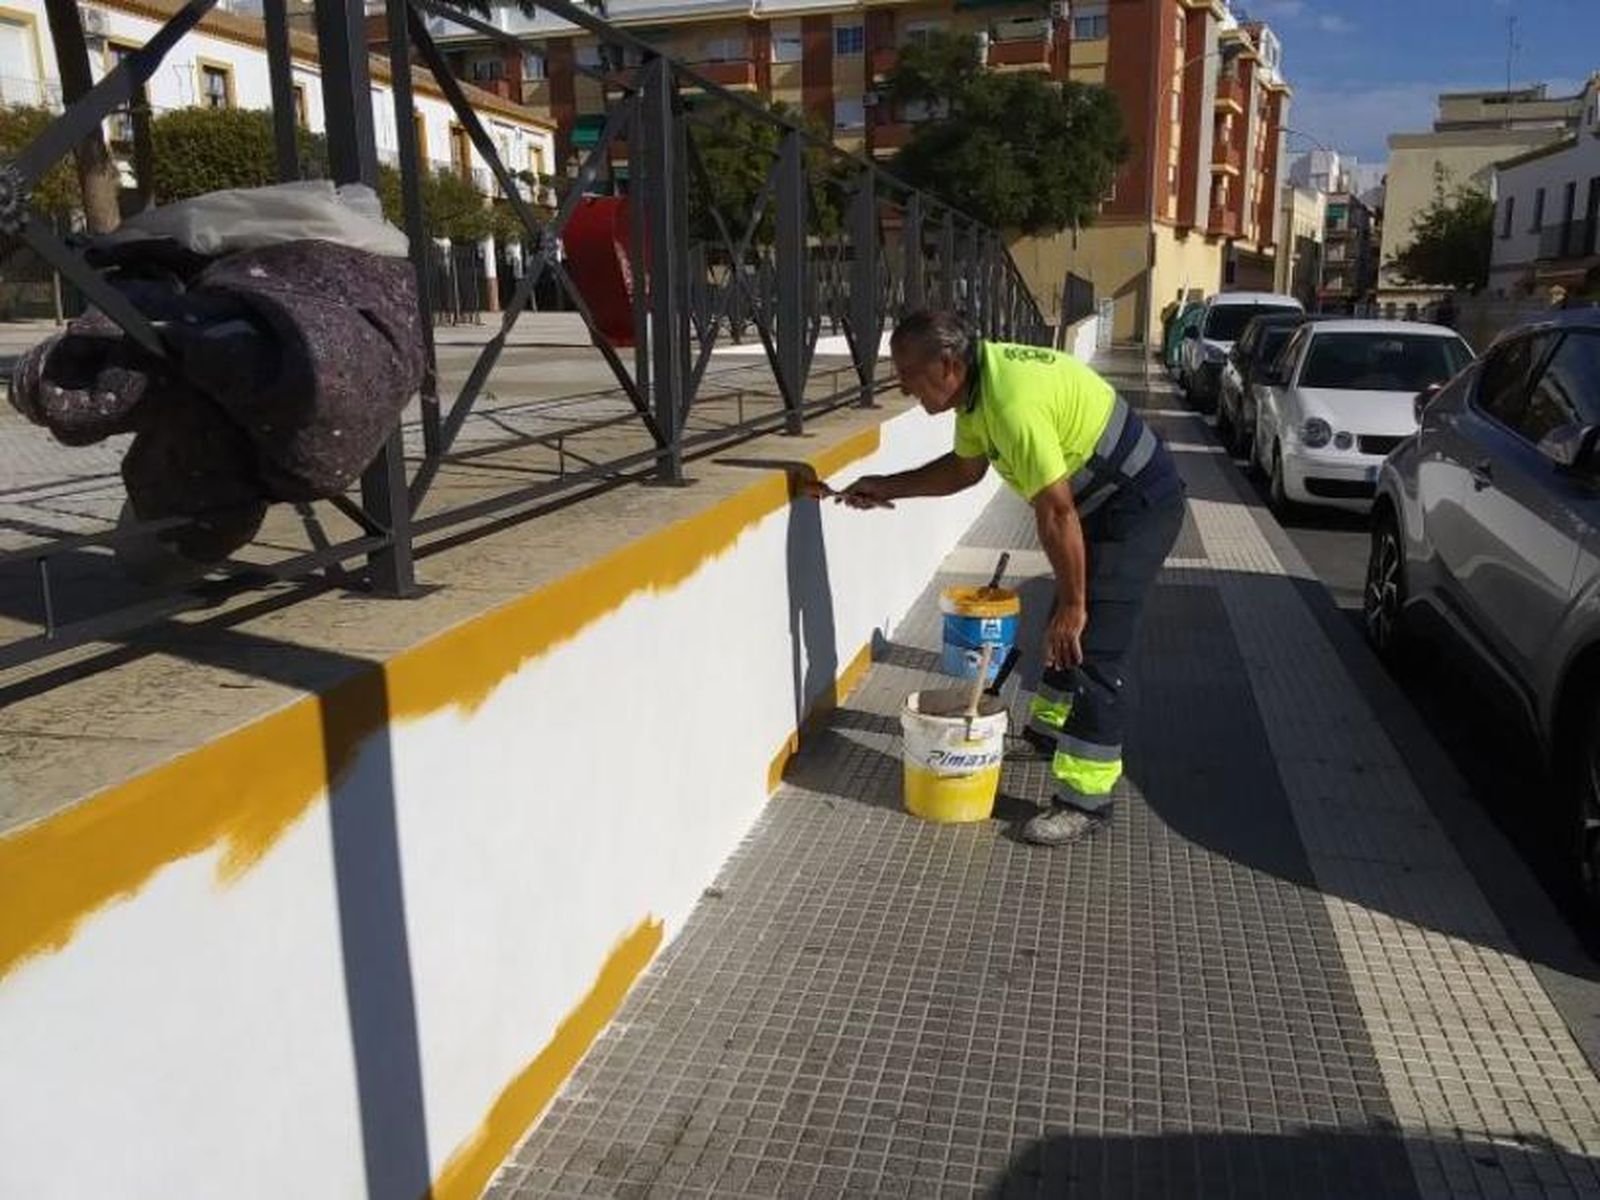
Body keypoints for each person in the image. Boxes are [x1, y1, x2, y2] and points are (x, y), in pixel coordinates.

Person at [836, 310, 1186, 846]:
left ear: (947, 365)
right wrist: (887, 486)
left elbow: (1056, 512)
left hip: (1138, 506)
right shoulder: (977, 391)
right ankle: (1047, 736)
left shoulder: (1010, 403)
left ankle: (1085, 800)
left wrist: (1075, 604)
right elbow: (964, 470)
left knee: (1093, 643)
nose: (904, 388)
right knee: (1060, 629)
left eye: (908, 375)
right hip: (1096, 507)